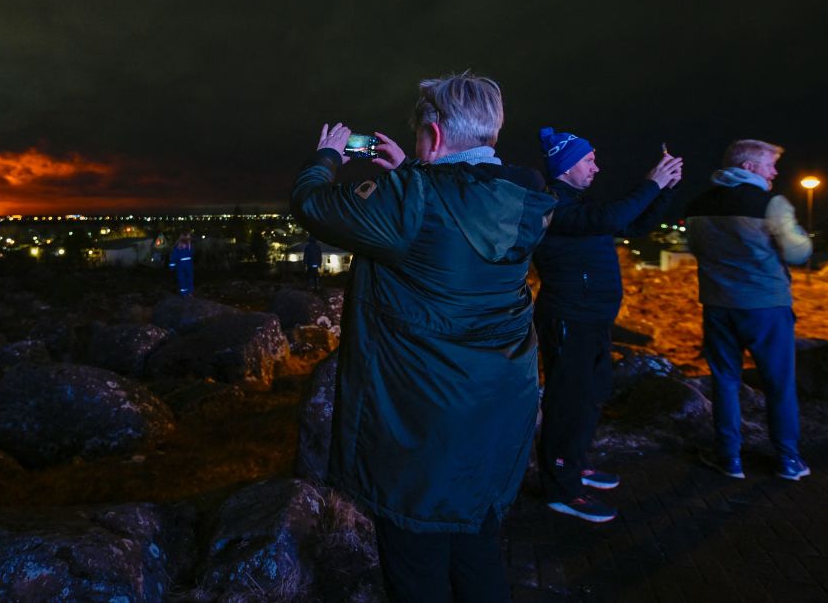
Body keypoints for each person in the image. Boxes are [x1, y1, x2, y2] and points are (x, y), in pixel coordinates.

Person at [291, 72, 556, 602]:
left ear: (433, 136)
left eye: (420, 137)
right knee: (478, 550)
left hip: (424, 426)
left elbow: (312, 205)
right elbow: (458, 214)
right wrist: (413, 168)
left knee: (416, 567)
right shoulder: (524, 197)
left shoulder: (410, 198)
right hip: (497, 408)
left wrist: (327, 156)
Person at [532, 128, 682, 523]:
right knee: (568, 403)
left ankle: (575, 463)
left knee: (591, 393)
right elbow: (612, 216)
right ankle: (560, 488)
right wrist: (652, 182)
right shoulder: (552, 205)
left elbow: (631, 226)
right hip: (569, 318)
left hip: (592, 319)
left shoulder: (577, 204)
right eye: (589, 160)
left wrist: (663, 190)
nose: (597, 167)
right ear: (567, 167)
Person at [685, 139, 812, 481]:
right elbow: (798, 253)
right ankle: (788, 459)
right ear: (749, 167)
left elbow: (694, 248)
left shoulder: (698, 204)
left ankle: (729, 458)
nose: (774, 173)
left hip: (717, 305)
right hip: (766, 307)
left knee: (725, 381)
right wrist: (801, 236)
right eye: (770, 165)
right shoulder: (771, 203)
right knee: (778, 384)